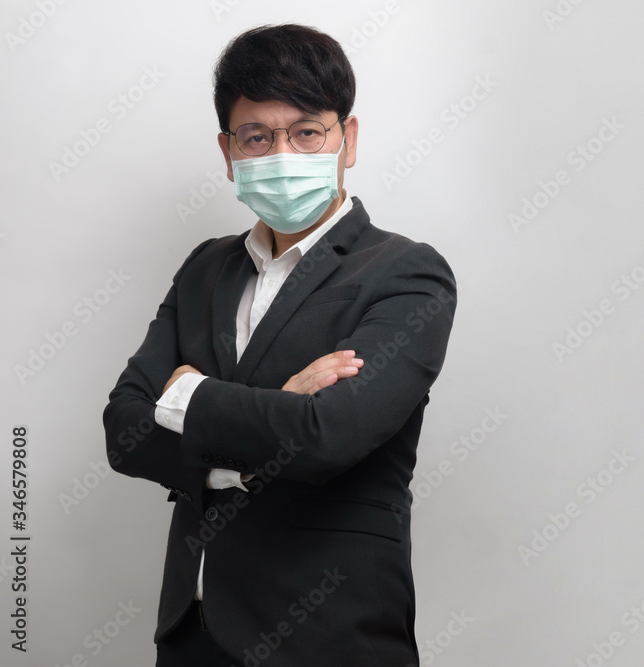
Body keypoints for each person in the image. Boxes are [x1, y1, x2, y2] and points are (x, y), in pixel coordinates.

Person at [103, 23, 456, 667]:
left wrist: (188, 397)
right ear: (228, 150)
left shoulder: (406, 273)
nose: (282, 153)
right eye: (257, 136)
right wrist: (269, 424)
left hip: (327, 636)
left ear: (348, 139)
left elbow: (328, 437)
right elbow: (124, 431)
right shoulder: (204, 269)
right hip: (191, 631)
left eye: (306, 132)